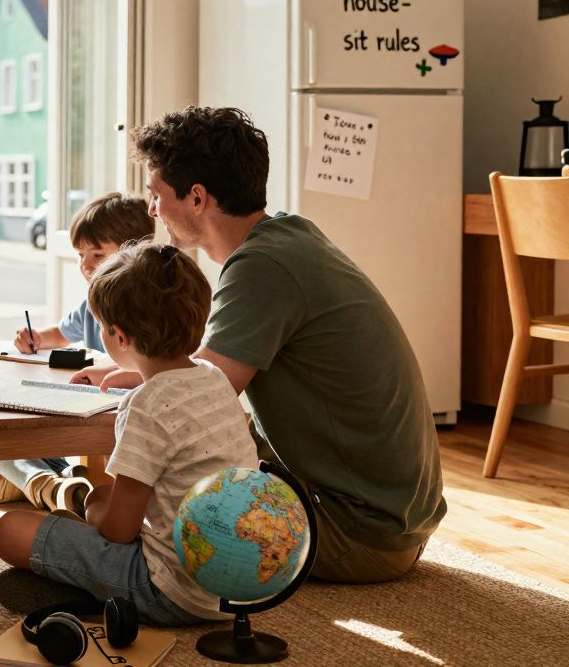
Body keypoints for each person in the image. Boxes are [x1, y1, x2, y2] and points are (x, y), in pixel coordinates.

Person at [79, 105, 446, 584]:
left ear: (196, 197)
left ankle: (106, 539)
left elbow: (193, 405)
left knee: (178, 444)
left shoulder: (262, 269)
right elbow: (198, 379)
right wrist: (142, 372)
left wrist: (143, 388)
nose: (151, 210)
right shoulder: (288, 236)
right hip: (396, 520)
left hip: (359, 534)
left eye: (155, 195)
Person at [0, 241, 257, 625]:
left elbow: (119, 531)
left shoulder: (146, 405)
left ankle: (94, 593)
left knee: (11, 529)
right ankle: (84, 584)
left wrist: (94, 512)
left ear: (118, 336)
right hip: (241, 583)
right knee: (101, 493)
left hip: (173, 590)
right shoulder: (215, 378)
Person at [0, 192, 155, 515]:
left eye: (97, 254)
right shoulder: (91, 303)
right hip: (82, 412)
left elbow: (158, 368)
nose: (85, 266)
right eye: (80, 254)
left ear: (133, 253)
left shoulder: (149, 310)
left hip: (115, 426)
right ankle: (61, 483)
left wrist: (113, 371)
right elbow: (59, 332)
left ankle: (33, 481)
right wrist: (36, 337)